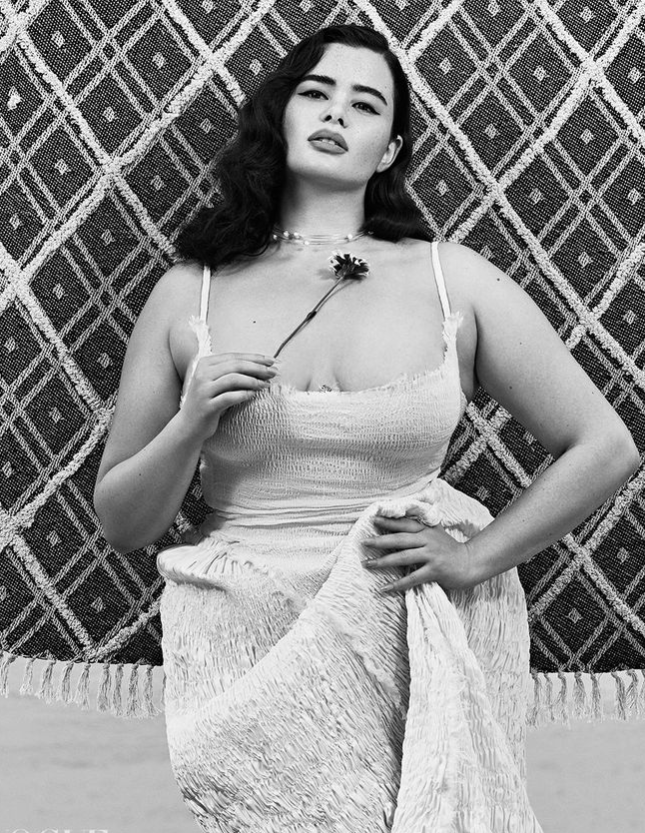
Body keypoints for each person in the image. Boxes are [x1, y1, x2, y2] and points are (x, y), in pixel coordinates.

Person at [93, 23, 639, 833]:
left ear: (389, 149)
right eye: (315, 93)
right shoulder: (189, 292)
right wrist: (189, 422)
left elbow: (606, 446)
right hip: (245, 638)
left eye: (364, 103)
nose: (335, 113)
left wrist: (474, 557)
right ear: (279, 117)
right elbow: (123, 522)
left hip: (411, 627)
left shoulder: (452, 280)